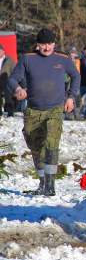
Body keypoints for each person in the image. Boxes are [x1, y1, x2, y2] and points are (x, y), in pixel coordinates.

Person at [7, 28, 80, 196]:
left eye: (49, 44)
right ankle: (42, 183)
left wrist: (71, 97)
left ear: (54, 43)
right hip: (33, 110)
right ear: (37, 45)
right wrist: (17, 89)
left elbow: (75, 76)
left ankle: (50, 186)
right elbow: (12, 79)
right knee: (36, 147)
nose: (46, 48)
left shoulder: (63, 59)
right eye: (43, 44)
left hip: (55, 108)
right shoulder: (28, 59)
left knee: (51, 143)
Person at [0, 44, 16, 118]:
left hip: (7, 81)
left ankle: (10, 113)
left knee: (9, 98)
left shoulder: (9, 59)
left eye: (0, 50)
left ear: (3, 51)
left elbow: (15, 71)